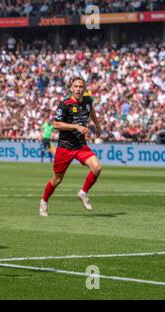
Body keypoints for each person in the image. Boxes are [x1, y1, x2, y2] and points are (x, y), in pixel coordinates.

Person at [39, 77, 102, 217]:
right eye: (76, 86)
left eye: (81, 86)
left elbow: (91, 111)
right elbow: (56, 124)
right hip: (65, 147)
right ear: (71, 88)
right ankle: (44, 202)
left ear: (84, 88)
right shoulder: (65, 105)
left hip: (80, 146)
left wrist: (97, 125)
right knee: (57, 179)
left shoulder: (87, 101)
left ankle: (83, 192)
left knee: (97, 167)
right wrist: (75, 126)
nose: (78, 89)